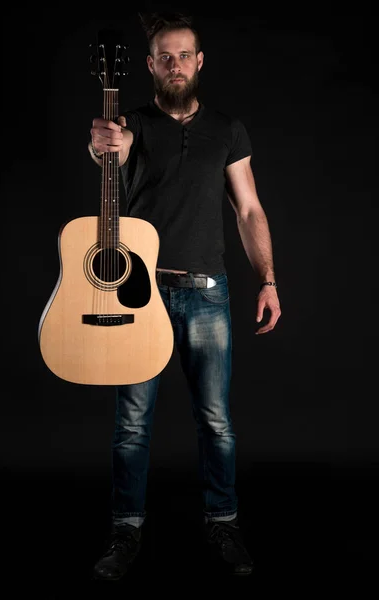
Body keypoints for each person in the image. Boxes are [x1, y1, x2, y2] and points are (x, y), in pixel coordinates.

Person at [88, 13, 281, 580]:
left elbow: (248, 209)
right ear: (150, 66)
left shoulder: (227, 129)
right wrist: (103, 143)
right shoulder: (132, 124)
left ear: (199, 62)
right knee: (131, 423)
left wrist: (268, 279)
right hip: (137, 293)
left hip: (208, 295)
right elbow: (108, 153)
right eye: (164, 57)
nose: (174, 65)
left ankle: (223, 522)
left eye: (183, 55)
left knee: (216, 422)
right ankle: (126, 530)